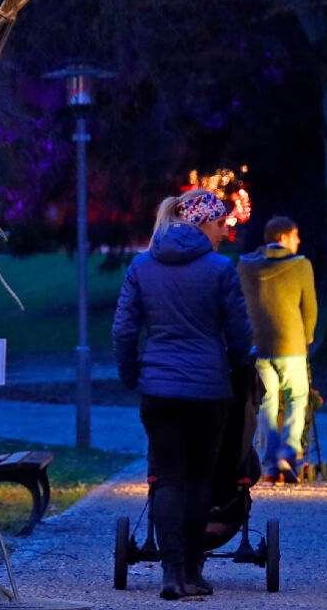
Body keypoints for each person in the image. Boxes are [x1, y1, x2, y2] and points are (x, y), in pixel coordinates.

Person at [113, 188, 252, 601]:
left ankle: (171, 574)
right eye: (220, 223)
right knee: (200, 478)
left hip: (159, 390)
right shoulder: (220, 269)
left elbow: (124, 330)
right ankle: (193, 570)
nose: (224, 231)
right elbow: (239, 332)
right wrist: (237, 366)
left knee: (169, 478)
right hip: (208, 390)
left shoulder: (142, 266)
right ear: (201, 222)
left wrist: (131, 373)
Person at [237, 214, 316, 482]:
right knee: (297, 398)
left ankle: (269, 464)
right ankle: (289, 450)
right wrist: (307, 335)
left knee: (267, 403)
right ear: (283, 237)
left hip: (257, 345)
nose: (298, 241)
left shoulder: (246, 265)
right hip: (291, 344)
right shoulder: (301, 265)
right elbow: (309, 308)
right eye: (295, 236)